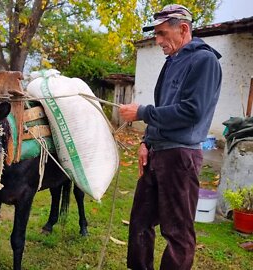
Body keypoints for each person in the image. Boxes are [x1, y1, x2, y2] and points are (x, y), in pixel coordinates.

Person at [119, 4, 222, 270]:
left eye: (163, 34)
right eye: (157, 34)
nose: (159, 41)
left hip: (180, 157)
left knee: (177, 232)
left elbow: (191, 112)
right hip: (157, 153)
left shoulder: (204, 60)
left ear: (184, 29)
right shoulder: (172, 61)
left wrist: (142, 112)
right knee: (140, 223)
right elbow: (163, 107)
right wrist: (146, 142)